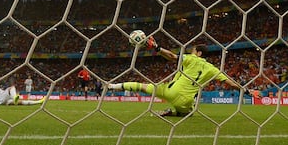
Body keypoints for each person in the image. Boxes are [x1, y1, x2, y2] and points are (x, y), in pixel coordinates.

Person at [108, 37, 255, 117]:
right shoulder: (213, 69)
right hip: (186, 100)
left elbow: (172, 56)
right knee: (189, 112)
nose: (191, 52)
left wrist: (157, 48)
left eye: (193, 51)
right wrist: (248, 91)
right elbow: (231, 83)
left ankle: (111, 86)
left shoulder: (191, 59)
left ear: (199, 53)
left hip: (170, 91)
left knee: (142, 86)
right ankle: (172, 112)